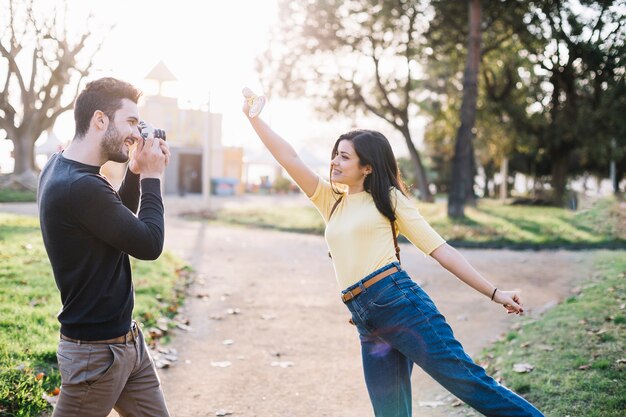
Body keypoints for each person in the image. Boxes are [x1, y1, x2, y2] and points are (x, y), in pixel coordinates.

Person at [242, 93, 545, 417]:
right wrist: (254, 118)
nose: (334, 162)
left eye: (344, 157)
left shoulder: (389, 199)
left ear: (367, 167)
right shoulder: (331, 200)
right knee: (390, 413)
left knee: (468, 382)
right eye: (335, 155)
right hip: (364, 317)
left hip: (401, 305)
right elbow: (289, 157)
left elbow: (440, 250)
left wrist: (496, 293)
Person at [38, 77, 171, 417]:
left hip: (126, 343)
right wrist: (154, 178)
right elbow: (149, 243)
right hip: (96, 355)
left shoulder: (61, 167)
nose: (135, 134)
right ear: (100, 120)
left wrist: (137, 172)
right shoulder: (79, 186)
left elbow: (112, 219)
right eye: (130, 122)